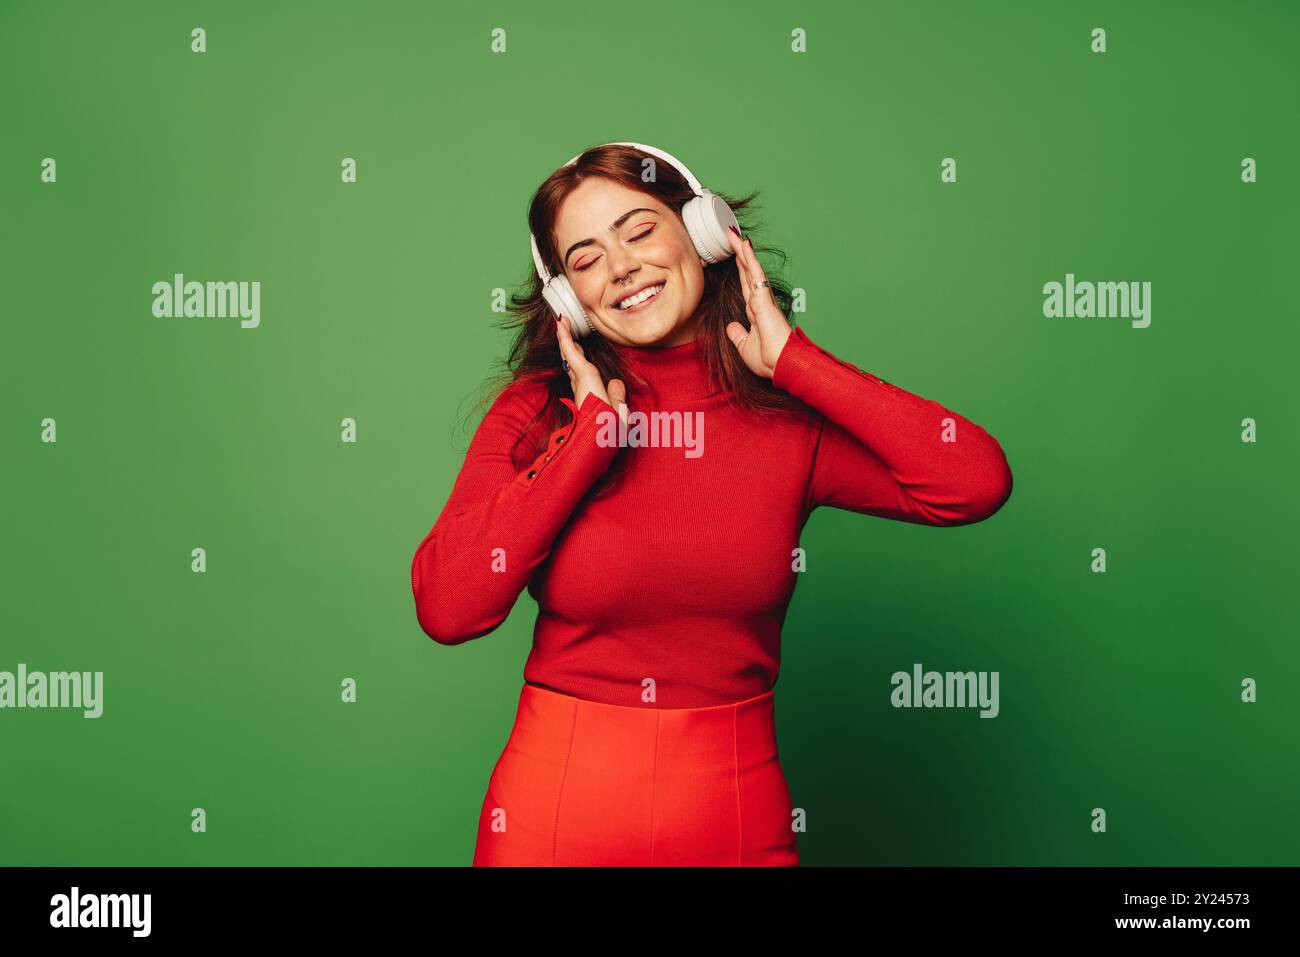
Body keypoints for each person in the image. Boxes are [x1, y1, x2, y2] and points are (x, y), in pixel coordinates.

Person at [411, 143, 1013, 866]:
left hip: (734, 815)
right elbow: (449, 607)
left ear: (702, 230)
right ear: (567, 297)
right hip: (553, 816)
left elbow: (974, 481)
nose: (621, 267)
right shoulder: (538, 415)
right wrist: (588, 442)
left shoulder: (785, 417)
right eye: (586, 258)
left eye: (638, 231)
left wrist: (798, 363)